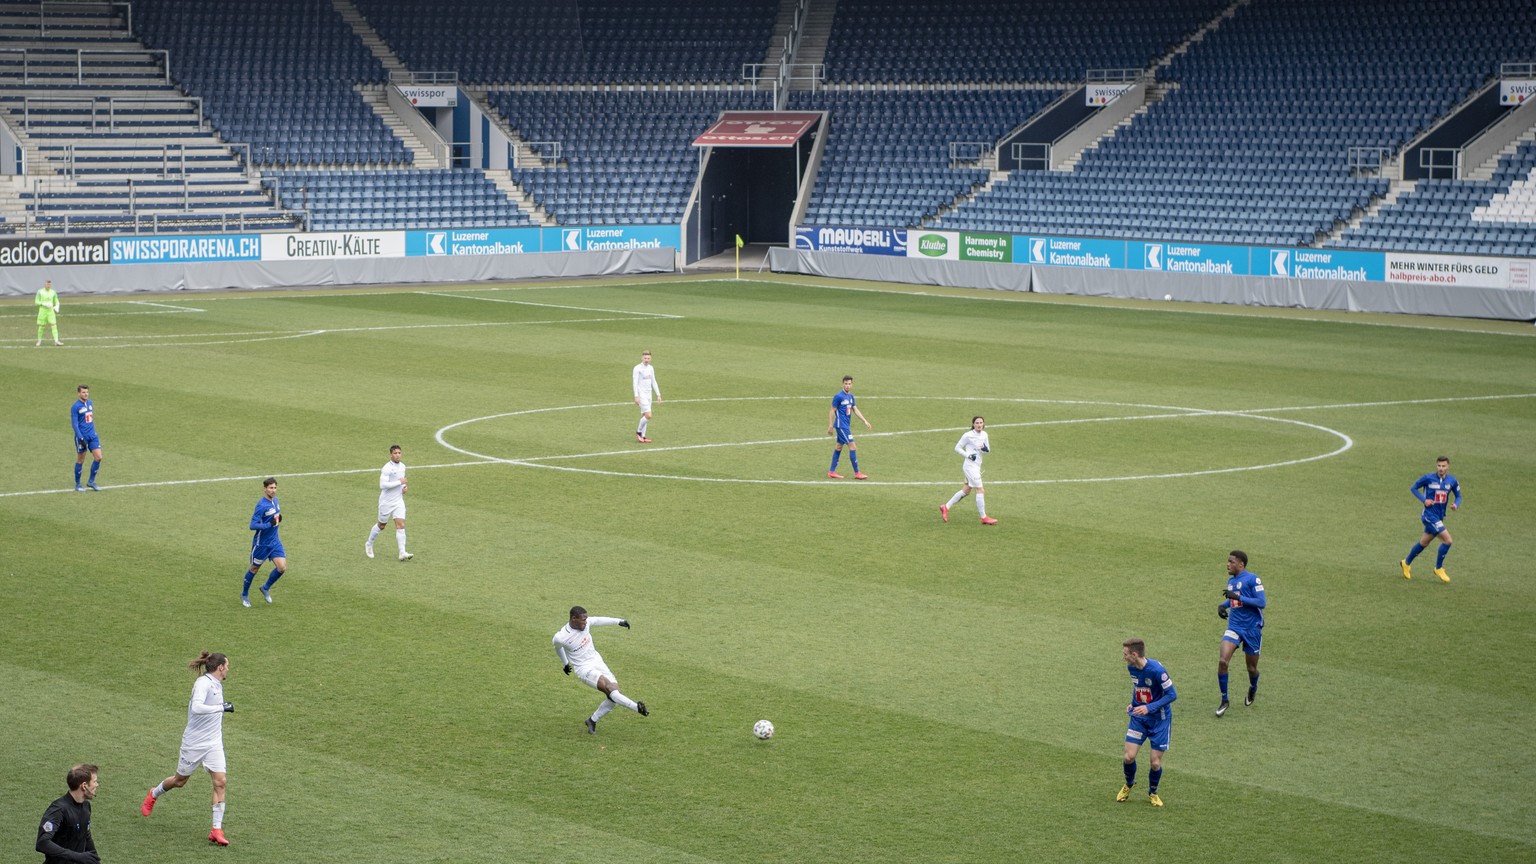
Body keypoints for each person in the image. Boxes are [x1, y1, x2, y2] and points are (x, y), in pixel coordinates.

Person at [141, 651, 235, 846]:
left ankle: (216, 829)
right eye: (227, 666)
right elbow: (197, 708)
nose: (228, 669)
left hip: (214, 742)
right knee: (180, 781)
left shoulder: (216, 683)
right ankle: (154, 793)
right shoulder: (202, 684)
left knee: (220, 782)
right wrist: (221, 707)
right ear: (220, 667)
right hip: (194, 743)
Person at [553, 605, 649, 735]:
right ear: (573, 619)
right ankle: (636, 708)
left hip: (597, 661)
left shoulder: (585, 624)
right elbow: (558, 648)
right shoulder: (561, 637)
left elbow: (598, 620)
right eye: (583, 620)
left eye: (586, 619)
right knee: (610, 689)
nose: (586, 622)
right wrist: (565, 663)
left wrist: (619, 621)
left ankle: (592, 720)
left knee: (615, 695)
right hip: (584, 668)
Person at [1117, 638, 1175, 808]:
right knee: (1129, 757)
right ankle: (1129, 784)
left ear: (1134, 654)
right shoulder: (1132, 668)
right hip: (1139, 718)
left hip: (1160, 720)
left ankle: (1153, 792)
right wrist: (1133, 703)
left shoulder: (1157, 670)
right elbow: (1139, 688)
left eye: (1125, 654)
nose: (1124, 657)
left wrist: (1148, 708)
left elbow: (1172, 695)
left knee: (1155, 763)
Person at [1215, 550, 1266, 717]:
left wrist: (1238, 597)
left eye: (1231, 562)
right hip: (1234, 627)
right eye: (1228, 561)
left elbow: (1261, 602)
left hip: (1252, 629)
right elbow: (1233, 598)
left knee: (1251, 669)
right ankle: (1224, 700)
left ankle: (1253, 687)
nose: (1227, 564)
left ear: (1241, 564)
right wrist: (1223, 606)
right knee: (1223, 661)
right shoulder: (1232, 580)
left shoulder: (1253, 579)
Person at [1400, 456, 1461, 583]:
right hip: (1428, 516)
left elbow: (1458, 496)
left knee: (1424, 543)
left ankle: (1406, 563)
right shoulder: (1428, 478)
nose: (1441, 468)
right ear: (1436, 466)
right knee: (1448, 541)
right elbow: (1413, 488)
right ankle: (1438, 568)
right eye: (1439, 466)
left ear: (1448, 467)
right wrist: (1424, 500)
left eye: (1444, 466)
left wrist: (1455, 504)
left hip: (1439, 516)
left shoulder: (1452, 481)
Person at [36, 763, 100, 864]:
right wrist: (77, 857)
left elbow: (85, 834)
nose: (97, 785)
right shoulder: (58, 809)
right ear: (84, 786)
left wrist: (95, 859)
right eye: (95, 782)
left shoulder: (86, 806)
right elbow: (42, 843)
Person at [941, 416, 996, 525]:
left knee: (966, 491)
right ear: (973, 424)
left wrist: (985, 449)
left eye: (981, 423)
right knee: (980, 490)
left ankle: (945, 507)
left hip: (977, 466)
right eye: (977, 423)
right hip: (970, 467)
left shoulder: (985, 435)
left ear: (983, 424)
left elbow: (987, 450)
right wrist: (968, 455)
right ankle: (983, 517)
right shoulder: (968, 435)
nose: (979, 424)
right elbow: (957, 448)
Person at [242, 478, 286, 607]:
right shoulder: (261, 505)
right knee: (254, 569)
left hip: (275, 541)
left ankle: (265, 587)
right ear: (265, 489)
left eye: (275, 488)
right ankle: (244, 594)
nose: (273, 490)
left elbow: (274, 518)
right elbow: (252, 525)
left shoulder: (275, 501)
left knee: (282, 568)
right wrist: (269, 524)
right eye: (271, 488)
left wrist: (278, 519)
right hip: (261, 544)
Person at [366, 445, 411, 561]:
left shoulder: (403, 466)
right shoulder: (387, 468)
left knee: (401, 525)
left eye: (399, 453)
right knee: (382, 525)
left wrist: (404, 487)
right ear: (391, 455)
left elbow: (402, 481)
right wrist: (399, 482)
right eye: (395, 453)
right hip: (386, 502)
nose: (398, 455)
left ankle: (402, 552)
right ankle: (369, 543)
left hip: (398, 501)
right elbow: (383, 485)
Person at [826, 375, 871, 479]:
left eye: (849, 384)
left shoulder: (851, 397)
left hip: (845, 426)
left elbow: (855, 409)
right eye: (846, 384)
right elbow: (832, 410)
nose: (847, 386)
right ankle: (857, 473)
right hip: (841, 426)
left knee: (838, 447)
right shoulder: (838, 396)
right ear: (842, 384)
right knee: (853, 447)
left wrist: (865, 421)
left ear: (852, 384)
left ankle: (831, 472)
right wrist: (830, 425)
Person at [70, 385, 103, 492]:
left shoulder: (90, 403)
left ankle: (91, 481)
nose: (86, 394)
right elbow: (75, 424)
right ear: (78, 393)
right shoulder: (75, 407)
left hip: (93, 435)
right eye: (83, 392)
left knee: (98, 457)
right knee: (80, 460)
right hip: (82, 437)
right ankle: (78, 484)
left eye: (87, 392)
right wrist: (81, 438)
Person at [632, 350, 661, 443]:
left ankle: (643, 437)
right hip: (641, 394)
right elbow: (635, 382)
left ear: (651, 359)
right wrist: (636, 396)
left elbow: (654, 381)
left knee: (644, 415)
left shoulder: (651, 368)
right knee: (648, 415)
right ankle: (638, 432)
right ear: (642, 358)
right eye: (645, 358)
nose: (646, 360)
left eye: (648, 358)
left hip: (649, 394)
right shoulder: (637, 368)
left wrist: (658, 394)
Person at [36, 279, 62, 346]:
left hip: (50, 311)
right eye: (47, 284)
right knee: (41, 326)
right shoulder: (40, 292)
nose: (48, 285)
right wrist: (43, 304)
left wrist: (57, 305)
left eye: (49, 284)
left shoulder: (53, 292)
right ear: (44, 284)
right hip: (42, 311)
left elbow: (56, 300)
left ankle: (56, 341)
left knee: (54, 325)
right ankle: (39, 341)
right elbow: (36, 302)